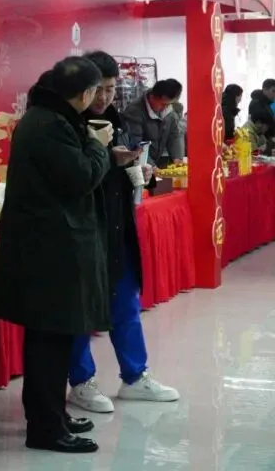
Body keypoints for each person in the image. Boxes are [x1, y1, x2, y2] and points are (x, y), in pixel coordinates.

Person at [0, 56, 112, 454]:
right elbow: (81, 177)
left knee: (52, 342)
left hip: (48, 248)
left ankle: (52, 416)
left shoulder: (48, 118)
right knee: (48, 344)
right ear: (86, 93)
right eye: (97, 91)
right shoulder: (49, 125)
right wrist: (98, 147)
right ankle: (45, 427)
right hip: (48, 252)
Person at [68, 52, 180, 414]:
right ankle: (81, 382)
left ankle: (135, 376)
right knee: (81, 311)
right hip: (84, 231)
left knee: (126, 304)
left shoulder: (117, 120)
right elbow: (72, 179)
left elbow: (125, 165)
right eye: (97, 89)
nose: (103, 97)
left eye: (110, 89)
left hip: (118, 227)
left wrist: (141, 173)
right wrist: (104, 158)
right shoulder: (66, 125)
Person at [121, 79, 184, 167]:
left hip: (156, 160)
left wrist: (177, 158)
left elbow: (175, 135)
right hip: (137, 164)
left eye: (168, 104)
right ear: (152, 97)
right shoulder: (134, 111)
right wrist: (151, 166)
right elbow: (136, 144)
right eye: (163, 104)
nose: (165, 108)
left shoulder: (170, 112)